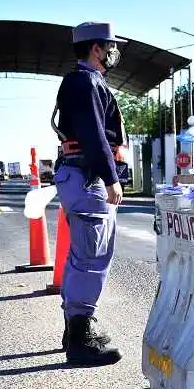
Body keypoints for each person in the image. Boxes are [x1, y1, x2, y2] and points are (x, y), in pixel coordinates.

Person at [50, 22, 127, 367]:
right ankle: (81, 338)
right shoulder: (84, 81)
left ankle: (75, 328)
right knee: (91, 256)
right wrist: (111, 178)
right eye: (110, 46)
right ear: (96, 48)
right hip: (87, 176)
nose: (114, 52)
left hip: (81, 175)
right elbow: (94, 134)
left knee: (84, 254)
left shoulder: (86, 82)